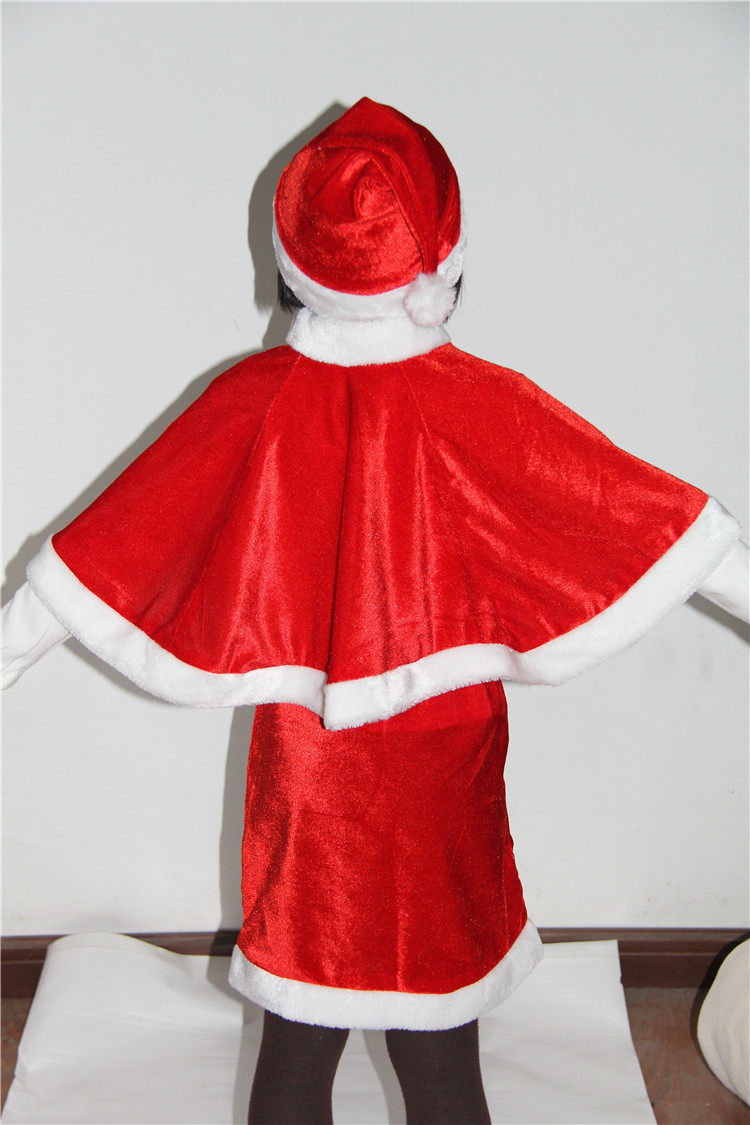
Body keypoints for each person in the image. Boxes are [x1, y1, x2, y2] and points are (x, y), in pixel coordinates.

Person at [2, 98, 748, 1124]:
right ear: (441, 265)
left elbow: (110, 547)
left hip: (311, 768)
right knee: (440, 1046)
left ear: (295, 266)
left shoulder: (254, 399)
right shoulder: (479, 399)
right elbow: (631, 510)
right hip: (444, 763)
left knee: (297, 1035)